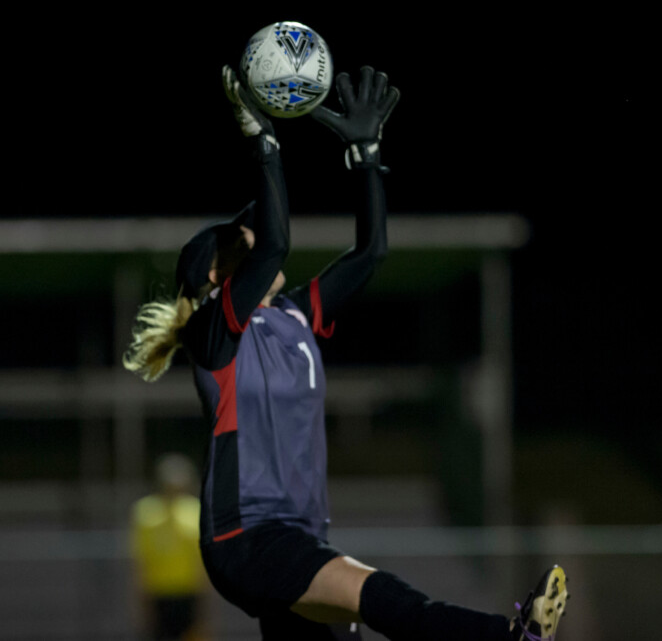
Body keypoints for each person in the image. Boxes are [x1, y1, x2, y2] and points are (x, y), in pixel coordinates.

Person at [123, 63, 570, 641]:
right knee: (386, 597)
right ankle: (509, 636)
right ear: (215, 275)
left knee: (370, 609)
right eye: (244, 242)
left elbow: (370, 252)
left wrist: (366, 156)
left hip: (300, 537)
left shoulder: (293, 317)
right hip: (247, 539)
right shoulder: (213, 333)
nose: (261, 243)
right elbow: (275, 242)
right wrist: (262, 141)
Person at [130, 453, 209, 641]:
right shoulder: (145, 512)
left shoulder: (195, 510)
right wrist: (140, 600)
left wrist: (204, 602)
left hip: (188, 591)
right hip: (157, 591)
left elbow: (202, 563)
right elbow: (140, 560)